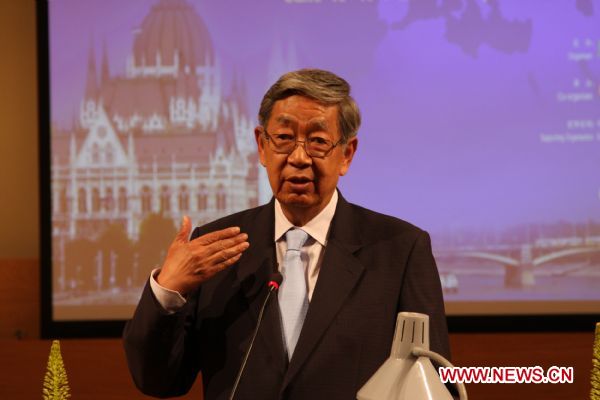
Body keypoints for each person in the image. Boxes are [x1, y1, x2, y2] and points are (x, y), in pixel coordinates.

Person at [123, 69, 450, 400]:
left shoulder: (399, 250)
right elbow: (159, 381)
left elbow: (433, 382)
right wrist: (168, 290)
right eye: (283, 138)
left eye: (318, 142)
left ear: (346, 154)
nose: (298, 157)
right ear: (262, 147)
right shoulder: (216, 248)